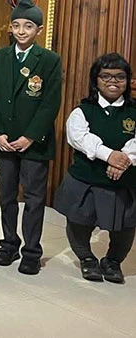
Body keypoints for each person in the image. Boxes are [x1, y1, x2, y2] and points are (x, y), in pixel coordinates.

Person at [0, 0, 61, 275]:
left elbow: (50, 103)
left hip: (34, 142)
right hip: (5, 140)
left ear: (38, 30)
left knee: (33, 197)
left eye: (28, 26)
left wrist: (30, 136)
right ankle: (8, 244)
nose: (21, 31)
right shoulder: (0, 57)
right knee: (6, 195)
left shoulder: (50, 60)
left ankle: (31, 251)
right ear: (10, 27)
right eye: (16, 25)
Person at [54, 53, 136, 284]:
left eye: (120, 77)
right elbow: (79, 137)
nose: (113, 81)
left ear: (128, 81)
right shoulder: (83, 111)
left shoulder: (133, 111)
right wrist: (110, 156)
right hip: (86, 179)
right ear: (96, 80)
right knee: (79, 221)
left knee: (125, 226)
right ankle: (87, 258)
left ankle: (113, 262)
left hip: (125, 180)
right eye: (106, 76)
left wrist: (123, 161)